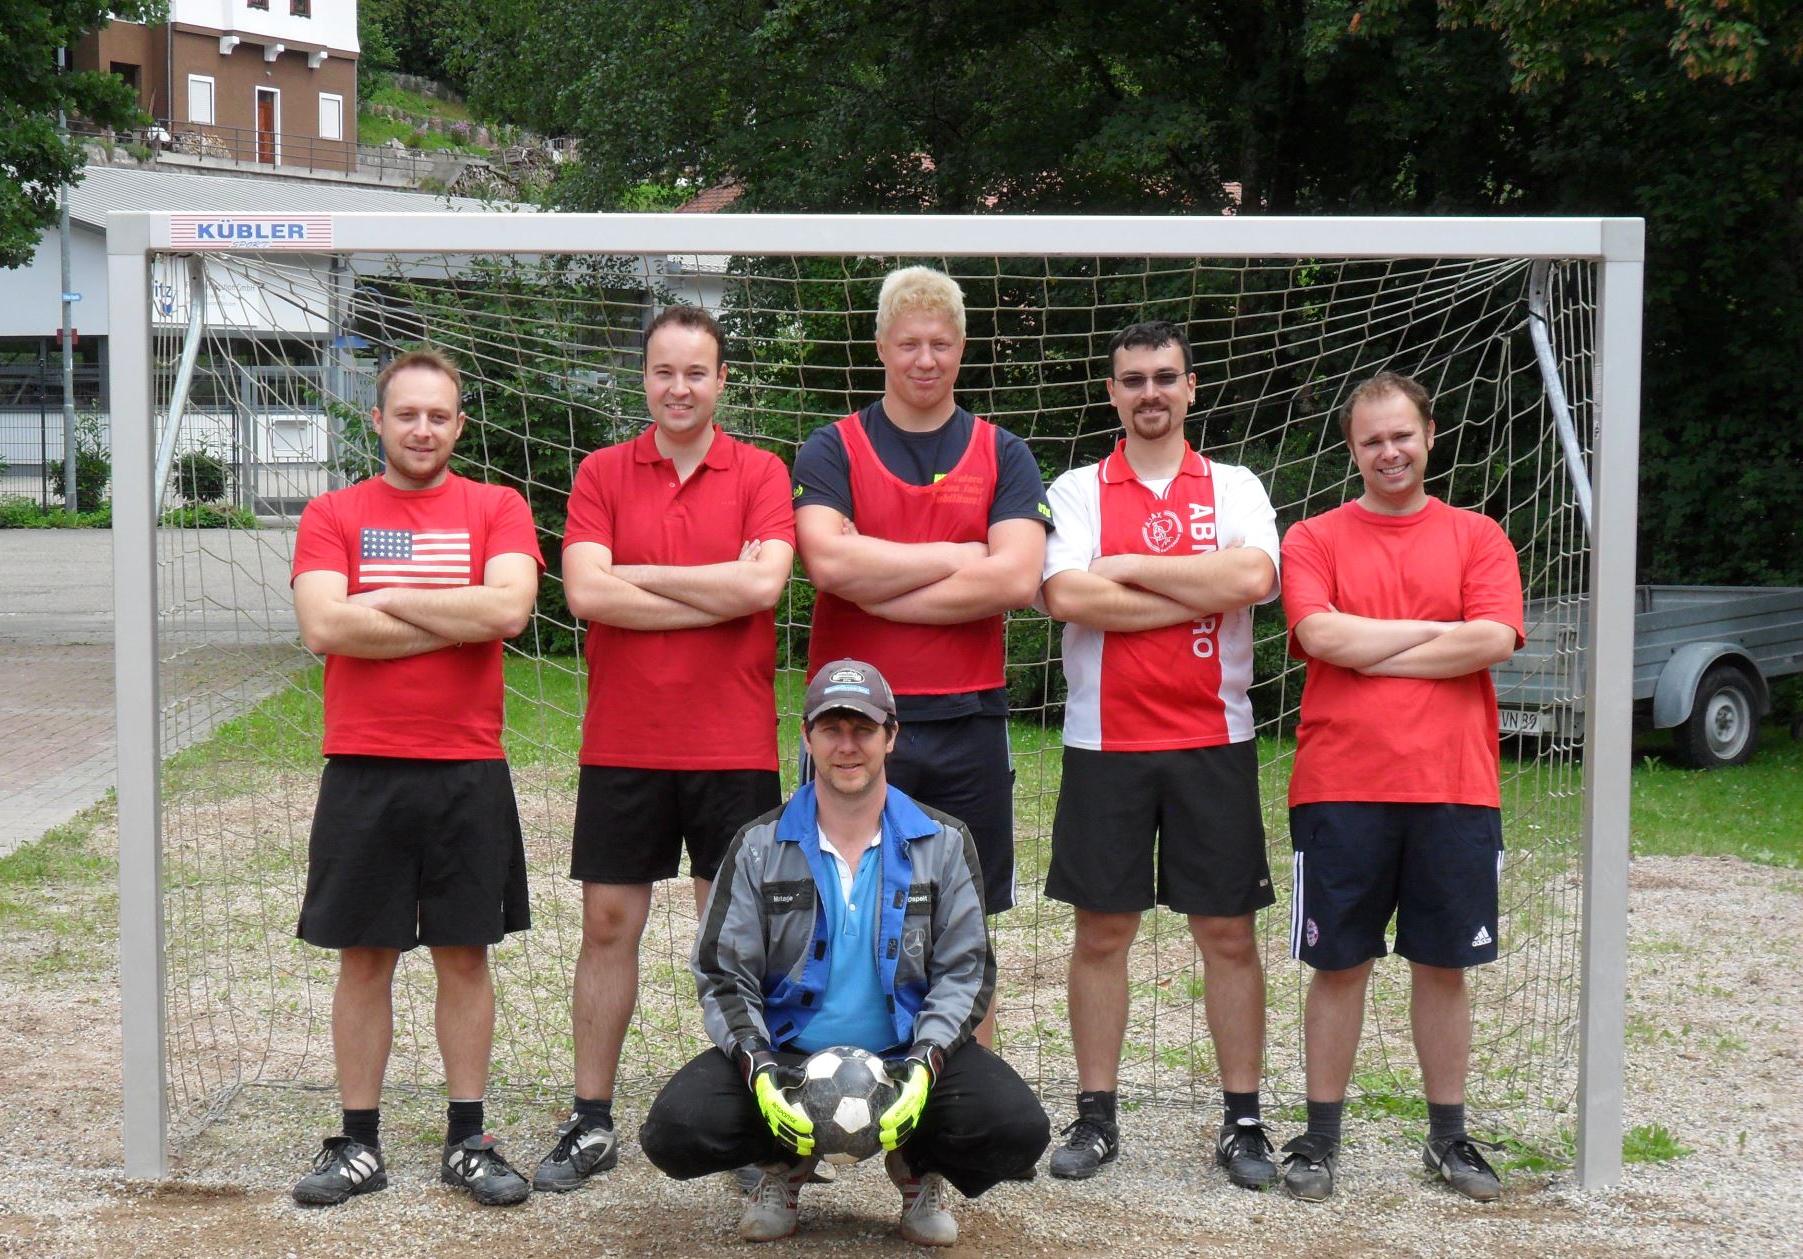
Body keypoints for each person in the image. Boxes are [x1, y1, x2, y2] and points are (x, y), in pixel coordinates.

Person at [639, 659, 1051, 1245]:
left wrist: (927, 1062)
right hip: (787, 1053)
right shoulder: (758, 844)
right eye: (832, 729)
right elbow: (722, 970)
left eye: (863, 729)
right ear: (806, 737)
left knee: (1014, 1128)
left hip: (906, 1053)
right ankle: (783, 1166)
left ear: (892, 735)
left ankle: (918, 1168)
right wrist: (757, 1062)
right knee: (677, 1130)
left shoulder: (944, 840)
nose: (847, 746)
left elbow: (966, 970)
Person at [534, 305, 797, 1192]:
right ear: (642, 379)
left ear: (723, 381)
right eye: (662, 372)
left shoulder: (761, 472)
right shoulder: (604, 471)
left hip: (732, 744)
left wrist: (636, 576)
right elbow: (584, 595)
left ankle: (757, 1128)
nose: (678, 388)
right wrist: (710, 593)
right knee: (609, 926)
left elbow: (763, 584)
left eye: (696, 372)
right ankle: (591, 1118)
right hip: (625, 741)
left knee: (734, 940)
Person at [288, 346, 545, 1207]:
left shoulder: (497, 506)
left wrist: (384, 599)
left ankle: (467, 1140)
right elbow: (325, 626)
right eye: (407, 414)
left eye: (439, 415)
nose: (423, 428)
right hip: (364, 765)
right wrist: (455, 612)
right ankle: (358, 1144)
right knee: (365, 958)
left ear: (459, 424)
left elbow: (509, 609)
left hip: (467, 766)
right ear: (379, 420)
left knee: (463, 956)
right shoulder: (332, 511)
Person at [1039, 320, 1282, 1188]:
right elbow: (1067, 594)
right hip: (1105, 742)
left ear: (1192, 387)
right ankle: (1096, 1117)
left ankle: (1243, 1120)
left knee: (1227, 932)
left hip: (1214, 738)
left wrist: (1129, 567)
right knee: (1102, 930)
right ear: (1112, 392)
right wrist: (1192, 586)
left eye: (1165, 378)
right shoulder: (1074, 488)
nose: (1150, 393)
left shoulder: (1235, 484)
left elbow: (1252, 582)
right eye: (1133, 379)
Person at [1278, 370, 1525, 1203]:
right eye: (1371, 439)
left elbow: (1492, 638)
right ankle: (1317, 1141)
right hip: (1340, 785)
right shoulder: (1313, 538)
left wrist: (1369, 647)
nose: (1389, 451)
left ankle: (1449, 1140)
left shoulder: (1478, 536)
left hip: (1454, 785)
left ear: (1428, 434)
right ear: (1352, 449)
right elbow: (1316, 631)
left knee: (1442, 967)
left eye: (1402, 435)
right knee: (1338, 964)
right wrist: (1436, 636)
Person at [793, 267, 1050, 961]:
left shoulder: (1003, 453)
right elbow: (829, 565)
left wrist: (876, 583)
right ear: (880, 346)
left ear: (962, 347)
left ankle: (966, 1071)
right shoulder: (831, 447)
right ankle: (843, 1069)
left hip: (970, 720)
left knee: (964, 925)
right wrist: (962, 554)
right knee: (840, 915)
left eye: (940, 343)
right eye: (909, 343)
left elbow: (1018, 577)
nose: (925, 359)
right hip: (851, 722)